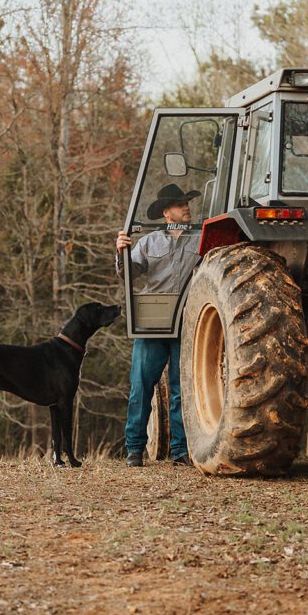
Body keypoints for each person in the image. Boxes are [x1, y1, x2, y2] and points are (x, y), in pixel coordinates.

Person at [116, 183, 201, 467]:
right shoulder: (149, 242)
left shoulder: (202, 239)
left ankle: (180, 451)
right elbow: (129, 274)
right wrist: (121, 252)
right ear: (167, 213)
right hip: (153, 322)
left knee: (182, 388)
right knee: (141, 386)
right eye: (180, 205)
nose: (186, 208)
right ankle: (134, 449)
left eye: (187, 203)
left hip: (188, 321)